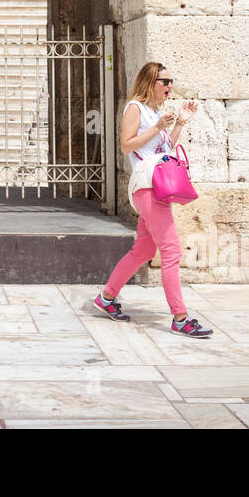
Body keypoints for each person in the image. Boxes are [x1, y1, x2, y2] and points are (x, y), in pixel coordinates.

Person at [92, 62, 213, 337]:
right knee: (171, 250)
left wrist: (179, 122)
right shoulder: (135, 108)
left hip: (155, 185)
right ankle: (180, 318)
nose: (170, 86)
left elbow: (164, 149)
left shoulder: (155, 112)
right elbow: (126, 145)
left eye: (171, 81)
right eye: (165, 81)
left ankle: (106, 298)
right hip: (146, 185)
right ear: (150, 82)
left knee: (144, 251)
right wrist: (156, 126)